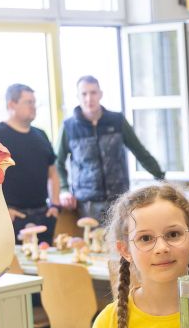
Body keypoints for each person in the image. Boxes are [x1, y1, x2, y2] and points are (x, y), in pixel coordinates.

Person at [85, 183, 189, 328]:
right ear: (125, 250)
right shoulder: (108, 324)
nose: (161, 248)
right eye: (145, 238)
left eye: (173, 234)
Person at [56, 75, 166, 223]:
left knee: (121, 244)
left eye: (93, 92)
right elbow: (57, 162)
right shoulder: (69, 127)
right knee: (93, 245)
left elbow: (140, 151)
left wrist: (161, 178)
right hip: (87, 204)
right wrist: (63, 190)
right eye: (84, 94)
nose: (89, 98)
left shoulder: (117, 121)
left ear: (100, 94)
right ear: (78, 96)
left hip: (119, 200)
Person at [0, 83, 59, 245]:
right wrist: (1, 211)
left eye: (34, 102)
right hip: (10, 218)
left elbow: (53, 173)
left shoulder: (41, 135)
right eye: (28, 102)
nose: (33, 107)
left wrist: (54, 205)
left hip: (43, 216)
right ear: (11, 104)